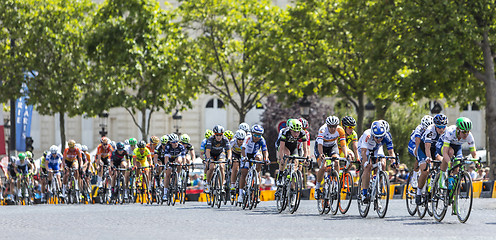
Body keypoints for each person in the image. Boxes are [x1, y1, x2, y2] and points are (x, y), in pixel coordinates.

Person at [357, 121, 397, 203]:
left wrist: (393, 162)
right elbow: (364, 152)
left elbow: (391, 152)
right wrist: (365, 163)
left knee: (383, 163)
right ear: (373, 134)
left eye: (381, 137)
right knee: (368, 166)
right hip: (365, 148)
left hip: (377, 148)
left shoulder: (386, 136)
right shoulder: (367, 135)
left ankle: (377, 182)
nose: (379, 139)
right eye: (377, 137)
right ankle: (364, 193)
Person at [436, 117, 478, 189]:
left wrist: (477, 162)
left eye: (468, 131)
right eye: (464, 132)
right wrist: (449, 162)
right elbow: (445, 153)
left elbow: (474, 153)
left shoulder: (469, 136)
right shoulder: (450, 132)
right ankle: (441, 177)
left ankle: (453, 194)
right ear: (458, 130)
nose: (466, 134)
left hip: (457, 146)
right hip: (443, 144)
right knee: (450, 152)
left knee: (457, 166)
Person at [415, 113, 448, 204]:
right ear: (435, 126)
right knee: (425, 171)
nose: (441, 129)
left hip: (435, 150)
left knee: (444, 163)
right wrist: (428, 158)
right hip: (423, 149)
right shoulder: (430, 130)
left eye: (443, 127)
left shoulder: (447, 131)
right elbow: (427, 147)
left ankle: (435, 183)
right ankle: (418, 192)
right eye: (439, 127)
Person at [314, 116, 347, 199]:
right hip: (321, 147)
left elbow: (343, 145)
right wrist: (321, 154)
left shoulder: (340, 130)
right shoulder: (322, 130)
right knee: (323, 166)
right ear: (327, 125)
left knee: (336, 161)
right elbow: (320, 144)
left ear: (337, 126)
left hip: (332, 146)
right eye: (330, 127)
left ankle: (336, 184)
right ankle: (317, 188)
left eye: (335, 126)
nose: (333, 129)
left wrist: (346, 155)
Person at [239, 124, 269, 202]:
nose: (257, 137)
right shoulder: (247, 138)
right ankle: (240, 194)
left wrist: (266, 158)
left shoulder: (261, 139)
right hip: (246, 154)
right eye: (255, 134)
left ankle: (257, 174)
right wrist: (245, 157)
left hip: (255, 153)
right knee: (244, 172)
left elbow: (265, 150)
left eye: (259, 135)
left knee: (259, 158)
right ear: (252, 133)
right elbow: (243, 149)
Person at [276, 119, 309, 186]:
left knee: (296, 160)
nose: (296, 134)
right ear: (290, 130)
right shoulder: (285, 132)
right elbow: (282, 148)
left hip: (293, 147)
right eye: (294, 132)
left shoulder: (302, 133)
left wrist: (305, 159)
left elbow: (305, 149)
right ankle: (280, 175)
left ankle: (291, 176)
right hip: (283, 145)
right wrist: (281, 158)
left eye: (298, 132)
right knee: (287, 154)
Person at [407, 115, 433, 190]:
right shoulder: (419, 129)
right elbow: (418, 144)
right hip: (413, 144)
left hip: (424, 144)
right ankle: (414, 177)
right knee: (417, 154)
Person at [205, 125, 231, 194]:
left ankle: (221, 186)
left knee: (222, 166)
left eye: (220, 135)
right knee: (211, 167)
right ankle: (207, 184)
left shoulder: (225, 139)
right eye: (217, 135)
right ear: (214, 134)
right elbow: (207, 151)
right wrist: (208, 159)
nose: (219, 137)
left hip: (220, 153)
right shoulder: (211, 139)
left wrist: (229, 158)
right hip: (211, 154)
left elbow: (229, 151)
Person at [163, 134, 186, 201]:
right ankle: (165, 193)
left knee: (179, 161)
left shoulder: (181, 146)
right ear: (170, 142)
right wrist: (167, 165)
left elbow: (183, 157)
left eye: (176, 141)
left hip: (177, 157)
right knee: (168, 174)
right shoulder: (168, 146)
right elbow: (166, 158)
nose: (175, 143)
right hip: (170, 159)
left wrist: (184, 164)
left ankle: (178, 176)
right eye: (173, 142)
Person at [229, 129, 246, 194]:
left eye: (242, 139)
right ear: (236, 138)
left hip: (242, 153)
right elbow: (229, 150)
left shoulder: (245, 142)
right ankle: (233, 185)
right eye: (239, 139)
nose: (241, 141)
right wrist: (230, 159)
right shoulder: (233, 141)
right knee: (235, 167)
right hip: (234, 153)